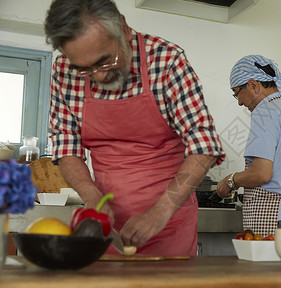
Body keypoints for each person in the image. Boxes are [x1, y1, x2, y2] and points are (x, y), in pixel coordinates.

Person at [44, 0, 224, 256]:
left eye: (105, 61)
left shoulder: (167, 61)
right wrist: (91, 196)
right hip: (105, 228)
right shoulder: (64, 69)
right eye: (84, 69)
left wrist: (162, 210)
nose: (98, 76)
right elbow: (65, 144)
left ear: (124, 29)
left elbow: (204, 146)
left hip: (169, 220)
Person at [216, 55, 281, 237]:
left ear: (253, 85)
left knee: (266, 266)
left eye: (237, 93)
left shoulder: (265, 112)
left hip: (272, 216)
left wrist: (230, 181)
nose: (239, 102)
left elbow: (261, 173)